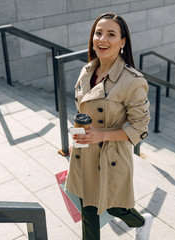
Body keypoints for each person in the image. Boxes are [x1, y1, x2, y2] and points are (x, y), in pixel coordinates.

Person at [65, 13, 152, 240]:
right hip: (84, 151)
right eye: (98, 32)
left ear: (123, 42)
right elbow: (84, 111)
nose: (102, 39)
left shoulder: (132, 81)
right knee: (88, 212)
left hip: (110, 155)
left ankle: (142, 221)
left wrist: (99, 135)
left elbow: (140, 128)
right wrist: (79, 137)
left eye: (111, 34)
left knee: (114, 207)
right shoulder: (87, 71)